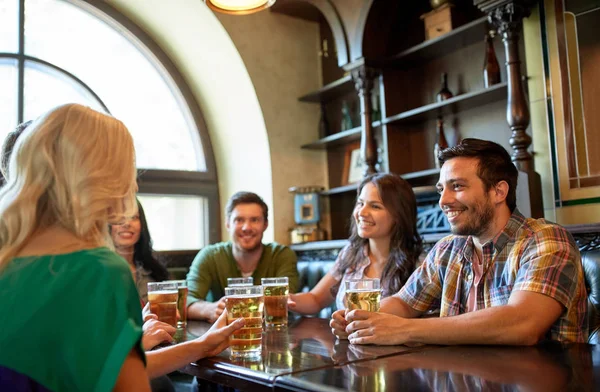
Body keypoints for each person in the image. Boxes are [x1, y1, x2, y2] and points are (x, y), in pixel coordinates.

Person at [0, 104, 244, 392]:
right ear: (102, 178)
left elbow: (100, 372)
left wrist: (201, 345)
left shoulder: (11, 260)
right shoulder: (96, 270)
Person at [331, 138, 588, 345]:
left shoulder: (546, 240)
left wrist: (407, 329)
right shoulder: (448, 249)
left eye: (457, 186)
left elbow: (522, 324)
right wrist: (360, 321)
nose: (443, 201)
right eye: (442, 189)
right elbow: (403, 303)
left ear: (499, 191)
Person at [289, 173, 422, 315]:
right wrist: (286, 299)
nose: (362, 212)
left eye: (375, 206)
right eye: (360, 203)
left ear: (399, 214)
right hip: (347, 337)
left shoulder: (419, 264)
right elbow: (315, 299)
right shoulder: (351, 252)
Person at [187, 191, 299, 322]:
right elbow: (186, 300)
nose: (247, 227)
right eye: (239, 220)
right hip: (223, 337)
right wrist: (209, 309)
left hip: (274, 334)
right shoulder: (210, 255)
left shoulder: (281, 255)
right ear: (228, 224)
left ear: (265, 224)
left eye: (255, 220)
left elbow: (283, 300)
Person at [110, 199, 169, 304]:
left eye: (134, 217)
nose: (127, 223)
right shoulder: (98, 271)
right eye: (119, 218)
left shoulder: (154, 271)